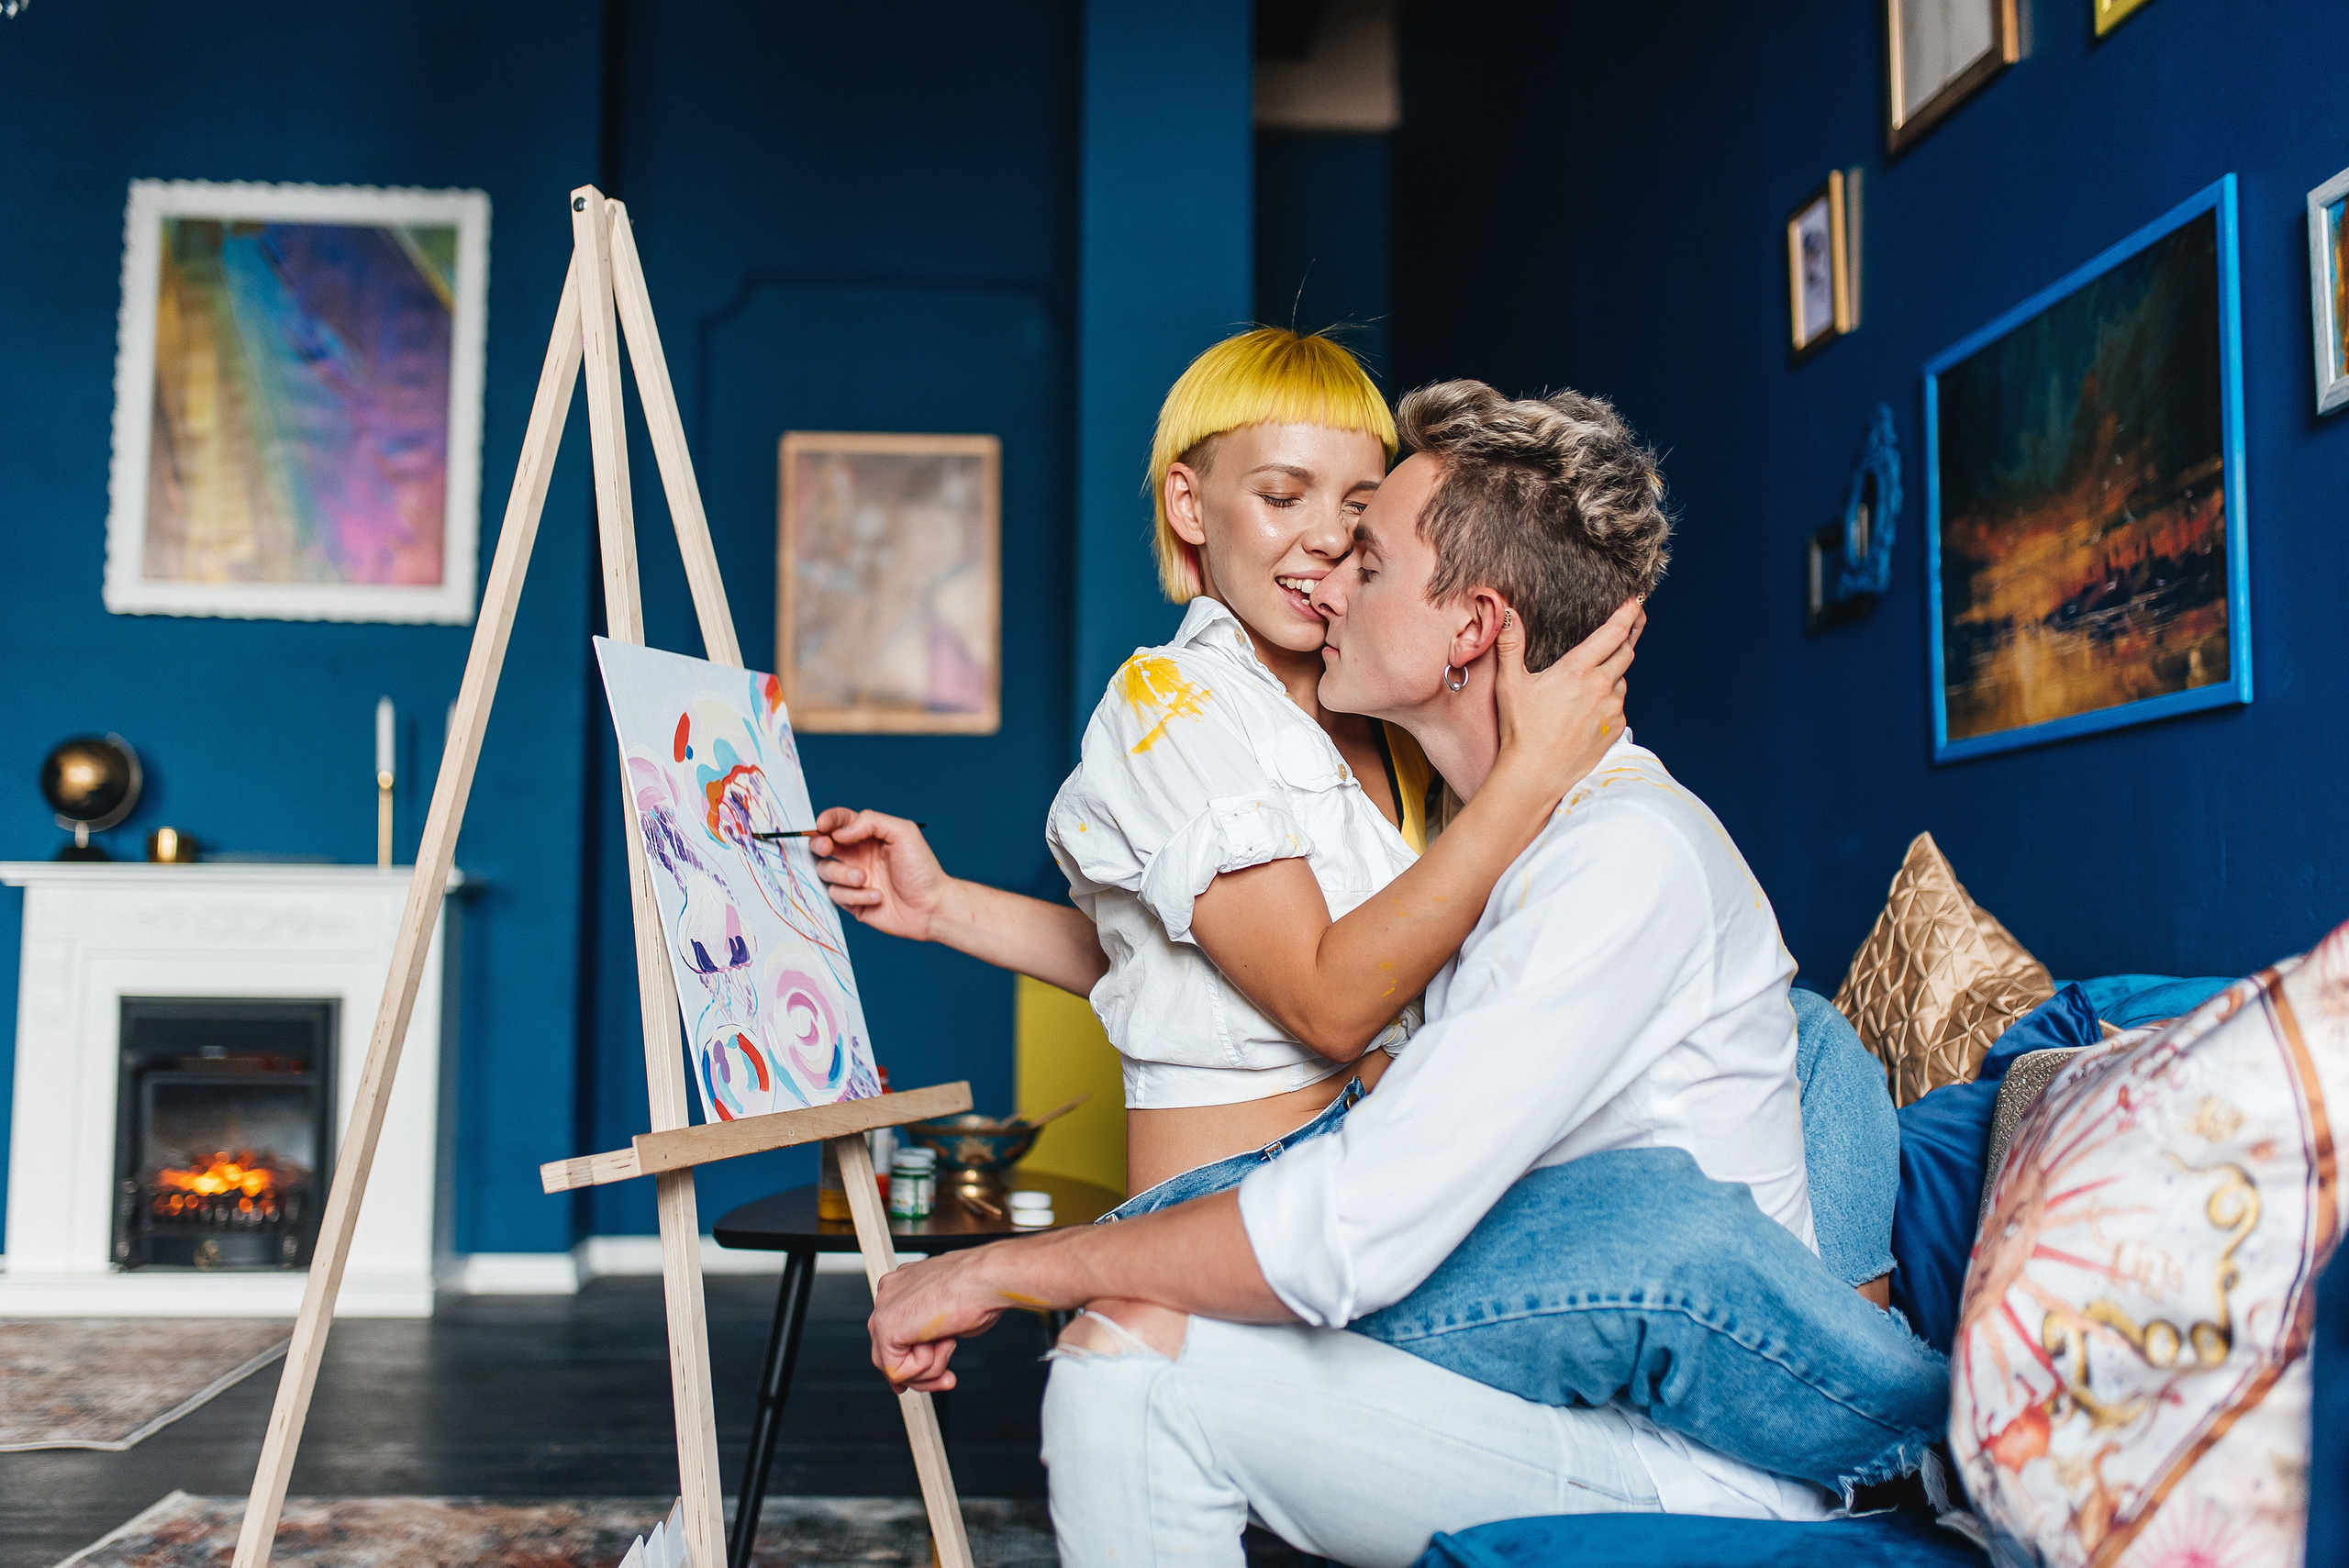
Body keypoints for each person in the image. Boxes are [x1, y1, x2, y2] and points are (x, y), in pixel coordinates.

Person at [859, 380, 1948, 1567]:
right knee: (1137, 1342)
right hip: (1539, 1350)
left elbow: (1350, 1203)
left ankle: (1886, 1448)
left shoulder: (1610, 854)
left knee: (1133, 1371)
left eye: (1366, 551)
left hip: (1679, 1449)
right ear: (1188, 505)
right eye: (1292, 504)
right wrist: (952, 910)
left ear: (1473, 628)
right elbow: (1177, 962)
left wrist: (1008, 1267)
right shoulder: (1474, 819)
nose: (1332, 576)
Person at [813, 328, 1641, 1205]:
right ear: (1190, 504)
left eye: (1360, 507)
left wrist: (943, 905)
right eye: (1282, 495)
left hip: (1386, 1194)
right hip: (1228, 1203)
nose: (1328, 537)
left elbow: (1179, 959)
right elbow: (1322, 1004)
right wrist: (1527, 778)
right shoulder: (1167, 702)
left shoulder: (1395, 718)